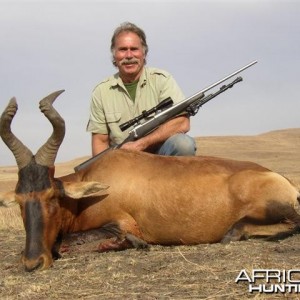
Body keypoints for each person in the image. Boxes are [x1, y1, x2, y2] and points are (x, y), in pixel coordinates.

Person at [86, 22, 196, 157]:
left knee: (184, 144)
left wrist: (140, 144)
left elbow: (182, 123)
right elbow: (100, 141)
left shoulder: (162, 80)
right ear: (114, 55)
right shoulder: (101, 91)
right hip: (123, 161)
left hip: (161, 158)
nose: (129, 55)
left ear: (144, 53)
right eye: (122, 49)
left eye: (134, 49)